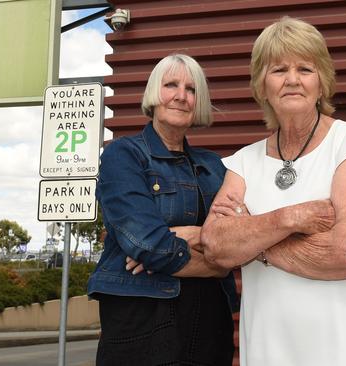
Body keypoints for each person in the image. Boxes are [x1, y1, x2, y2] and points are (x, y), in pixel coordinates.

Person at [200, 16, 346, 366]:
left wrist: (255, 244)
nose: (293, 80)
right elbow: (217, 245)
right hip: (272, 351)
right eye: (279, 69)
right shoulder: (243, 162)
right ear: (261, 86)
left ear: (322, 82)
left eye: (305, 69)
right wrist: (291, 217)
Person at [86, 53, 239, 366]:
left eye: (191, 89)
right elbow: (148, 244)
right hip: (142, 318)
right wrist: (217, 263)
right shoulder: (123, 155)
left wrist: (194, 236)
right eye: (171, 85)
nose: (181, 96)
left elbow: (239, 242)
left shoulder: (215, 167)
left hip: (209, 323)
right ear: (154, 93)